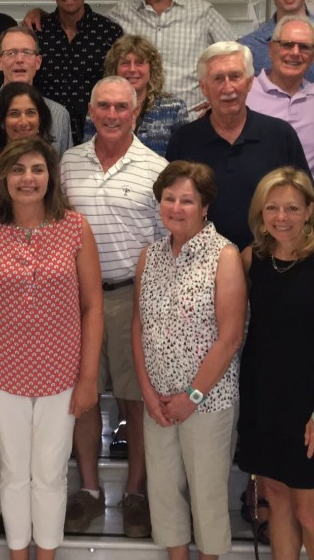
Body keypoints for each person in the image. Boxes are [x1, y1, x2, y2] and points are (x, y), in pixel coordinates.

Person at [0, 136, 103, 560]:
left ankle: (46, 554)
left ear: (50, 177)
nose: (28, 178)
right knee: (12, 473)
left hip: (62, 372)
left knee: (50, 472)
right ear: (3, 178)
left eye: (37, 169)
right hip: (1, 371)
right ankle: (18, 554)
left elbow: (93, 306)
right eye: (18, 169)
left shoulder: (75, 228)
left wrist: (88, 376)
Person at [61, 76, 167, 538]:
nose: (111, 114)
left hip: (130, 297)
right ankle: (88, 489)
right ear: (90, 110)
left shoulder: (157, 169)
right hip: (74, 299)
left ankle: (136, 493)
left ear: (136, 112)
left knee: (134, 397)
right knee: (81, 396)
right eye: (103, 105)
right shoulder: (68, 163)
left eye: (121, 107)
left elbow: (165, 243)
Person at [238, 167, 314, 559]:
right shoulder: (252, 259)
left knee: (309, 510)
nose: (281, 217)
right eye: (272, 207)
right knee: (276, 500)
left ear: (308, 211)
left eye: (291, 207)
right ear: (261, 212)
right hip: (263, 397)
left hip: (311, 403)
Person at [132, 160, 246, 560]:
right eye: (169, 198)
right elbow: (138, 325)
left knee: (207, 497)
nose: (176, 208)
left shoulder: (224, 256)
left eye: (187, 200)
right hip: (158, 402)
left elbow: (230, 339)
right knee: (164, 495)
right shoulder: (150, 256)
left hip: (207, 403)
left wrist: (192, 396)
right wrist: (148, 393)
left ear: (204, 207)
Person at [25, 0, 234, 112]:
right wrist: (42, 15)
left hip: (190, 118)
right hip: (135, 121)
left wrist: (219, 99)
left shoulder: (203, 12)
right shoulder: (119, 16)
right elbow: (77, 16)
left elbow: (237, 57)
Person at [166, 42, 313, 250]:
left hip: (270, 259)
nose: (228, 88)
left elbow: (306, 202)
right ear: (203, 87)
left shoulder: (280, 135)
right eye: (218, 78)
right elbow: (171, 209)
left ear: (250, 82)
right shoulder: (183, 141)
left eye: (235, 76)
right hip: (200, 262)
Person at [30, 0, 124, 144]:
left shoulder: (109, 32)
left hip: (95, 133)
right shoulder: (37, 32)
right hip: (47, 133)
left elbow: (119, 84)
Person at [246, 15, 314, 195]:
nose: (295, 52)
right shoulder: (245, 94)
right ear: (271, 49)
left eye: (304, 47)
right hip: (253, 207)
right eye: (287, 44)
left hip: (307, 209)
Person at [0, 26, 72, 157]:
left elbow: (64, 167)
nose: (19, 60)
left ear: (38, 62)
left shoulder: (59, 115)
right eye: (11, 53)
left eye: (27, 52)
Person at [84, 34, 189, 156]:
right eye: (125, 63)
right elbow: (88, 153)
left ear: (152, 69)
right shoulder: (100, 106)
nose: (132, 69)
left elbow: (183, 160)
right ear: (115, 69)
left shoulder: (174, 107)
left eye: (139, 63)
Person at [0, 82, 54, 217]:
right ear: (1, 122)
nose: (23, 122)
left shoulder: (50, 160)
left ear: (40, 119)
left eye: (30, 113)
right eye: (14, 114)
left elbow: (55, 210)